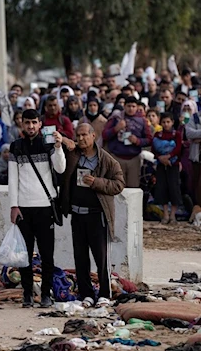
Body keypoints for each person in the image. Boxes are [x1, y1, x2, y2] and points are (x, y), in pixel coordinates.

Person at [59, 123, 125, 309]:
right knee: (80, 258)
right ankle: (86, 294)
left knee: (101, 258)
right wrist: (65, 140)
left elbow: (119, 184)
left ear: (93, 135)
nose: (80, 139)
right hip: (77, 215)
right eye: (77, 136)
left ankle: (104, 293)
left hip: (98, 216)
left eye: (84, 135)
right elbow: (57, 147)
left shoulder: (107, 160)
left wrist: (97, 182)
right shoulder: (73, 155)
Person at [8, 109, 66, 308]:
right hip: (24, 208)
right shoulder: (16, 146)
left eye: (34, 122)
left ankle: (46, 294)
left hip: (45, 207)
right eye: (27, 123)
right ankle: (27, 293)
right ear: (21, 124)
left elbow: (60, 169)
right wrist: (13, 206)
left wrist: (58, 148)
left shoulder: (48, 143)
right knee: (25, 255)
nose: (31, 126)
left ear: (40, 124)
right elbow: (12, 179)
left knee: (47, 254)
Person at [102, 96, 153, 188]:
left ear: (137, 107)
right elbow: (105, 135)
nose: (131, 109)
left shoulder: (143, 121)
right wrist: (116, 128)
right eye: (128, 106)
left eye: (133, 106)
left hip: (134, 159)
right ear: (124, 106)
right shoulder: (116, 118)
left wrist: (137, 141)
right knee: (116, 187)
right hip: (117, 158)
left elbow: (149, 139)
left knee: (133, 188)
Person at [152, 114, 183, 224]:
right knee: (162, 187)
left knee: (174, 188)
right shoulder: (157, 135)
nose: (166, 124)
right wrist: (161, 158)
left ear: (172, 122)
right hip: (161, 164)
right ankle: (165, 213)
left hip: (173, 164)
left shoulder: (177, 134)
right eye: (164, 122)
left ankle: (173, 215)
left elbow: (178, 148)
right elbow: (153, 149)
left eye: (168, 122)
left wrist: (169, 157)